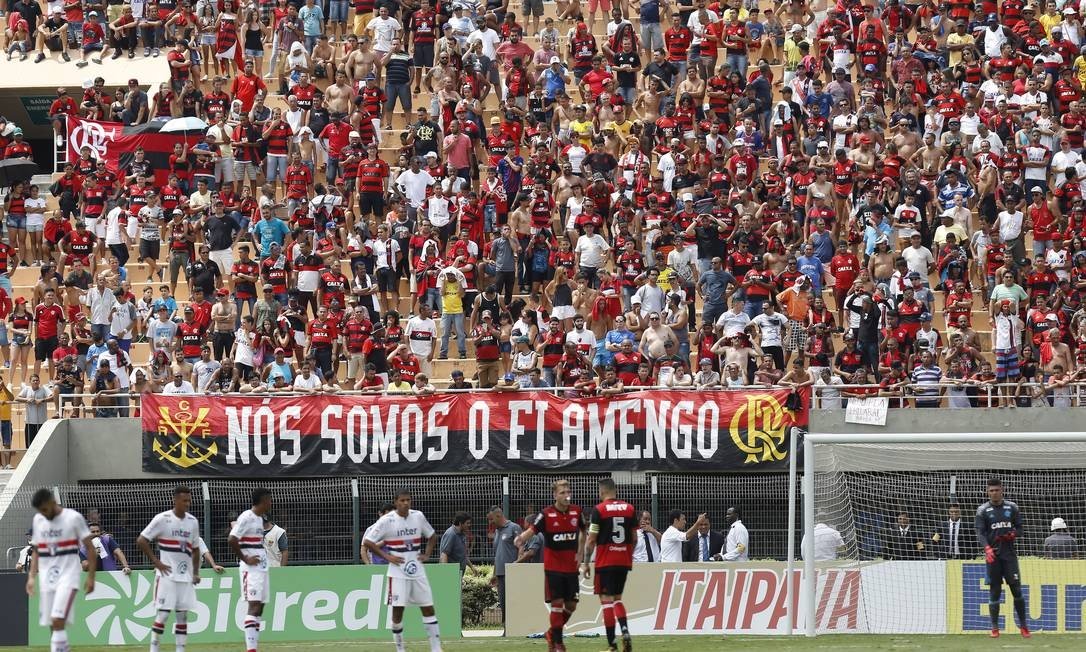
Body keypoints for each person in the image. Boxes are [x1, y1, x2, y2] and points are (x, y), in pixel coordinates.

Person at [363, 489, 444, 652]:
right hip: (397, 572)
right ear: (396, 502)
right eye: (402, 500)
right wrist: (388, 557)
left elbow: (433, 536)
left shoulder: (418, 516)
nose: (406, 503)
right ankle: (400, 649)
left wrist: (427, 554)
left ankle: (436, 648)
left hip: (417, 570)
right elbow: (368, 541)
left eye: (408, 500)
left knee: (428, 607)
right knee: (397, 612)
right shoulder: (387, 520)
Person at [514, 479, 585, 652]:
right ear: (555, 495)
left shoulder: (577, 512)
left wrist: (581, 554)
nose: (566, 495)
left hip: (571, 568)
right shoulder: (546, 514)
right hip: (553, 568)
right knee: (557, 604)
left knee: (571, 605)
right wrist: (521, 538)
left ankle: (551, 633)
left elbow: (584, 532)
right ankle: (559, 643)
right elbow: (532, 530)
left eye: (568, 492)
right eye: (562, 492)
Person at [26, 488, 97, 652]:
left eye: (45, 509)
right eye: (40, 511)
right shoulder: (39, 520)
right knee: (53, 623)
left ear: (52, 502)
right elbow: (36, 549)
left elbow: (90, 548)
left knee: (58, 619)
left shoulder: (73, 518)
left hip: (68, 576)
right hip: (47, 577)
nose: (43, 514)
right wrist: (31, 577)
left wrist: (91, 577)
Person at [136, 486, 201, 652]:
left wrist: (195, 572)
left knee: (182, 616)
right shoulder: (162, 519)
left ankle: (180, 649)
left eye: (189, 500)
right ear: (175, 500)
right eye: (184, 500)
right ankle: (154, 648)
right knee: (163, 615)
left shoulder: (192, 521)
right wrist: (155, 561)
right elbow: (142, 540)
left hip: (184, 577)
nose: (188, 503)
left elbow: (195, 548)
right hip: (166, 576)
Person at [581, 478, 636, 652]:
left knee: (606, 601)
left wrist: (586, 562)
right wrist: (627, 554)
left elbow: (591, 540)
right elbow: (634, 539)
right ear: (615, 490)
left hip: (605, 562)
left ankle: (612, 644)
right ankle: (625, 631)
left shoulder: (599, 510)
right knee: (617, 599)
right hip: (623, 561)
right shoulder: (629, 509)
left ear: (602, 492)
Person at [975, 478, 1030, 638]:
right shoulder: (982, 510)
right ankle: (994, 628)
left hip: (1009, 556)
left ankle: (1024, 626)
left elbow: (1020, 529)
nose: (994, 493)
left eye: (996, 490)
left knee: (1016, 590)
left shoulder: (1012, 507)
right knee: (995, 591)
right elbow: (980, 533)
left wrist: (1013, 534)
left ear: (1002, 490)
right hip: (993, 557)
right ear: (987, 492)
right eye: (991, 491)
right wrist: (986, 548)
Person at [228, 487, 273, 652]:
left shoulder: (259, 519)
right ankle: (251, 649)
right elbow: (232, 539)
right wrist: (245, 558)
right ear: (262, 500)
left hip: (262, 568)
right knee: (253, 606)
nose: (270, 503)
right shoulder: (246, 517)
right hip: (250, 569)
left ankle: (254, 646)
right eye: (269, 499)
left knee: (260, 606)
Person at [486, 505, 522, 624]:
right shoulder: (497, 531)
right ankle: (507, 628)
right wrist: (494, 574)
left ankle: (514, 627)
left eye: (491, 519)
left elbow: (521, 548)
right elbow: (497, 555)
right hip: (501, 574)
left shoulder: (514, 528)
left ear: (499, 515)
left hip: (512, 573)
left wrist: (516, 567)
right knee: (503, 603)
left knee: (513, 603)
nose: (490, 522)